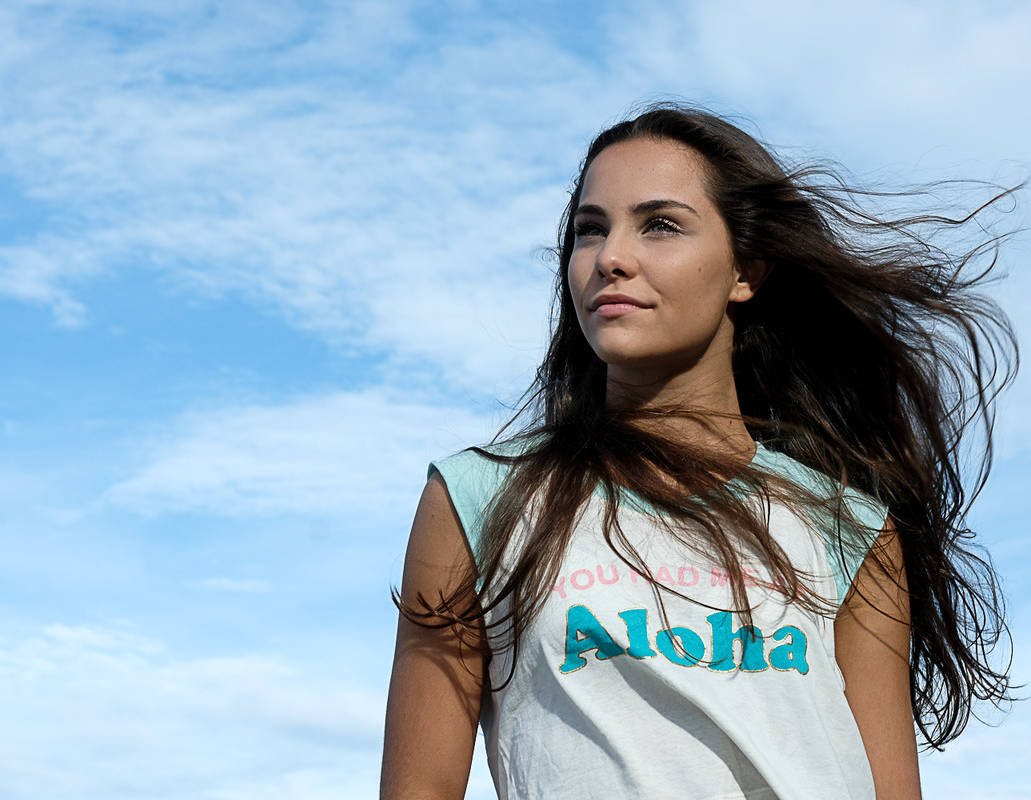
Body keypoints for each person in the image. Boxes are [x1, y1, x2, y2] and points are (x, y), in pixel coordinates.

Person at [380, 104, 1016, 800]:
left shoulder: (850, 527)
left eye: (659, 224)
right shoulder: (479, 501)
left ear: (745, 272)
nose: (610, 257)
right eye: (590, 230)